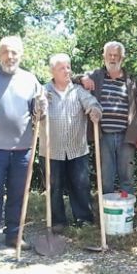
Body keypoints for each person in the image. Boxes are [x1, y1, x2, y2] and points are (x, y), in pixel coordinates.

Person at [0, 36, 47, 257]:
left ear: (21, 55)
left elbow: (39, 112)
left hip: (23, 149)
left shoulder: (30, 79)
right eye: (6, 52)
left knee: (18, 194)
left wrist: (43, 106)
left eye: (14, 52)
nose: (10, 56)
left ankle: (14, 234)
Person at [39, 53, 102, 231]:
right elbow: (36, 110)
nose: (67, 71)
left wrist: (95, 111)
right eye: (62, 68)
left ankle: (84, 219)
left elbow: (92, 103)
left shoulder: (78, 90)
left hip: (77, 148)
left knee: (80, 185)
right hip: (51, 150)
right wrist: (39, 108)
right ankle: (58, 221)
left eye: (68, 67)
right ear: (53, 71)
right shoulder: (44, 91)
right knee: (54, 187)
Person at [76, 41, 137, 194]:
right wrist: (82, 78)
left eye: (116, 55)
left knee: (127, 176)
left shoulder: (132, 81)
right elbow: (71, 79)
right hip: (103, 136)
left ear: (122, 58)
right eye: (110, 55)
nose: (113, 58)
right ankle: (106, 214)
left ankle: (127, 212)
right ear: (104, 56)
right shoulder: (95, 76)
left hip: (127, 136)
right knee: (105, 177)